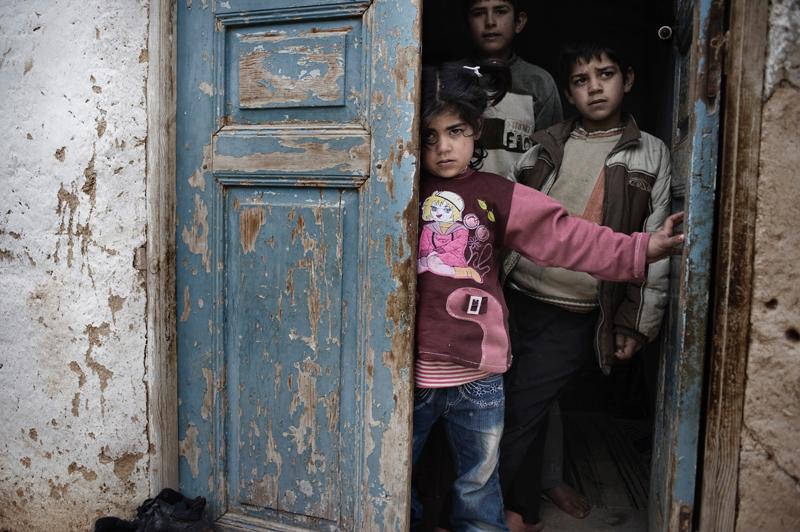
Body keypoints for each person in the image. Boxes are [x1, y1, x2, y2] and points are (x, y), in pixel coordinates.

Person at [410, 60, 682, 532]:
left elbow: (567, 236)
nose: (443, 147)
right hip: (411, 373)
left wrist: (643, 246)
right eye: (428, 136)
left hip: (480, 375)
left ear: (476, 129)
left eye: (455, 130)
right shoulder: (399, 191)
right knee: (401, 477)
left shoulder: (498, 194)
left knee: (478, 483)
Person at [498, 41, 674, 531]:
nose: (595, 87)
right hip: (518, 293)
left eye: (606, 74)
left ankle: (479, 512)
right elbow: (509, 215)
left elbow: (656, 250)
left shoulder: (649, 153)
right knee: (516, 406)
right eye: (581, 80)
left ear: (629, 79)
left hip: (577, 306)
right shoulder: (545, 143)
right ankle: (522, 510)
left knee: (520, 409)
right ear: (568, 92)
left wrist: (635, 324)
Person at [462, 1, 588, 520]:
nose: (490, 21)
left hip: (518, 238)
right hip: (461, 236)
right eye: (478, 11)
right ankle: (468, 486)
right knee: (471, 364)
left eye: (501, 10)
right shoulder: (447, 76)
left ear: (521, 21)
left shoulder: (538, 84)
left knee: (533, 370)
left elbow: (554, 156)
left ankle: (547, 478)